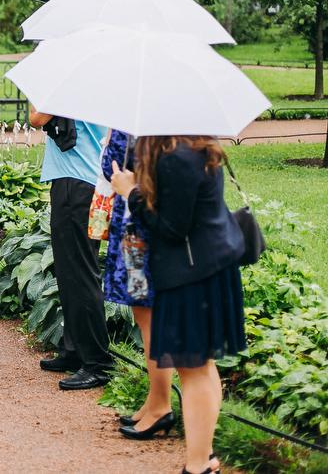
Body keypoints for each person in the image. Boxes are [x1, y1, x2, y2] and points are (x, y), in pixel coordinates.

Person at [112, 136, 245, 474]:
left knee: (194, 369)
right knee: (202, 367)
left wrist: (132, 193)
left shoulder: (178, 159)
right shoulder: (197, 148)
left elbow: (171, 228)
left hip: (192, 275)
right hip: (208, 268)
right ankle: (204, 456)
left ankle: (198, 466)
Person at [100, 130, 176, 440]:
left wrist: (108, 142)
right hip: (140, 223)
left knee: (149, 318)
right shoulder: (165, 125)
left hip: (139, 230)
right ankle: (155, 399)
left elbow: (111, 167)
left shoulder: (133, 125)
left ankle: (161, 404)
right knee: (145, 316)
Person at [29, 109, 112, 390]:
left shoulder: (71, 88)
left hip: (78, 184)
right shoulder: (86, 85)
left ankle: (97, 363)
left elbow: (36, 117)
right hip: (85, 182)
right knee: (69, 272)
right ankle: (75, 349)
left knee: (81, 273)